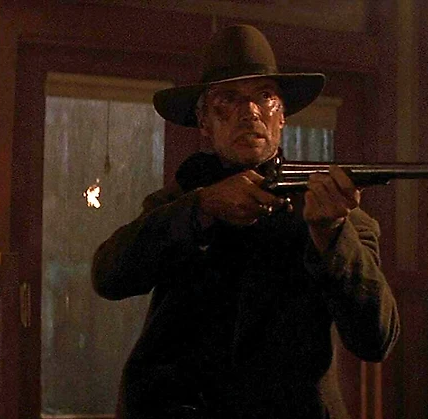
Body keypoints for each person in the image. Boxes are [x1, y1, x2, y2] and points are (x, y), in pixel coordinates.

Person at [92, 24, 400, 419]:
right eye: (228, 99)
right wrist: (202, 209)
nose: (250, 112)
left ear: (281, 115)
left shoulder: (333, 211)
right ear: (204, 121)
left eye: (265, 96)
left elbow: (376, 339)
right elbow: (109, 276)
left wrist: (331, 235)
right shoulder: (179, 201)